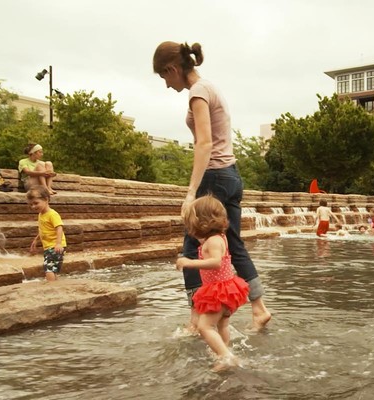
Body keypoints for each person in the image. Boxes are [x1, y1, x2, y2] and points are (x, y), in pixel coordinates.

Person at [153, 41, 271, 331]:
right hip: (231, 175)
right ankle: (259, 308)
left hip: (213, 178)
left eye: (164, 77)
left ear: (172, 69)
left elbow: (204, 142)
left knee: (192, 245)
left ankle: (197, 317)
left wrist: (191, 193)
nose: (167, 85)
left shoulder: (197, 92)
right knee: (234, 244)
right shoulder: (210, 87)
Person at [176, 195, 249, 369]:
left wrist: (189, 262)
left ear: (202, 224)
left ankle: (226, 357)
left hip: (219, 291)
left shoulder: (214, 241)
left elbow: (216, 262)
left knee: (204, 326)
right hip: (227, 289)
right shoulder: (217, 237)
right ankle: (222, 353)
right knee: (223, 325)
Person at [27, 185, 66, 281]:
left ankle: (51, 287)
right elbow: (43, 229)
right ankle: (55, 284)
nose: (33, 206)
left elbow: (59, 228)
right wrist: (36, 240)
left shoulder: (52, 214)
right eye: (31, 204)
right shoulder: (41, 214)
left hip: (55, 246)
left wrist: (58, 243)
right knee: (52, 268)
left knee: (48, 268)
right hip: (49, 246)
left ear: (46, 199)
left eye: (36, 203)